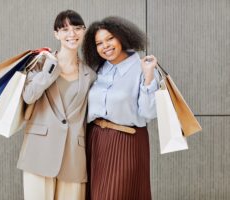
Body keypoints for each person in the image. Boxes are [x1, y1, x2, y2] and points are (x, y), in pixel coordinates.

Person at [16, 10, 96, 200]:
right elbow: (29, 96)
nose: (72, 34)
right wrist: (50, 69)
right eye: (65, 29)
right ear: (56, 34)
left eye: (77, 28)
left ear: (84, 32)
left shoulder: (90, 74)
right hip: (39, 151)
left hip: (73, 155)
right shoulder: (41, 61)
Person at [82, 16, 159, 200]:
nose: (105, 46)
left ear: (122, 37)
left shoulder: (144, 68)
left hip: (127, 141)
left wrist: (149, 76)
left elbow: (149, 113)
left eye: (110, 39)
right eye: (99, 43)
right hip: (95, 140)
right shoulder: (98, 69)